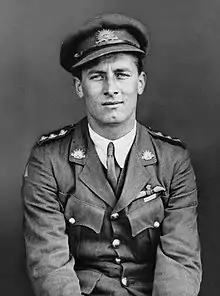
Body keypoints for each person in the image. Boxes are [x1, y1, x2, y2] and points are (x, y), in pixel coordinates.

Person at [22, 13, 202, 296]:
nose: (111, 89)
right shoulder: (49, 161)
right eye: (97, 77)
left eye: (121, 74)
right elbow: (49, 264)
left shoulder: (172, 161)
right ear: (79, 87)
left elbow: (180, 260)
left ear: (140, 83)